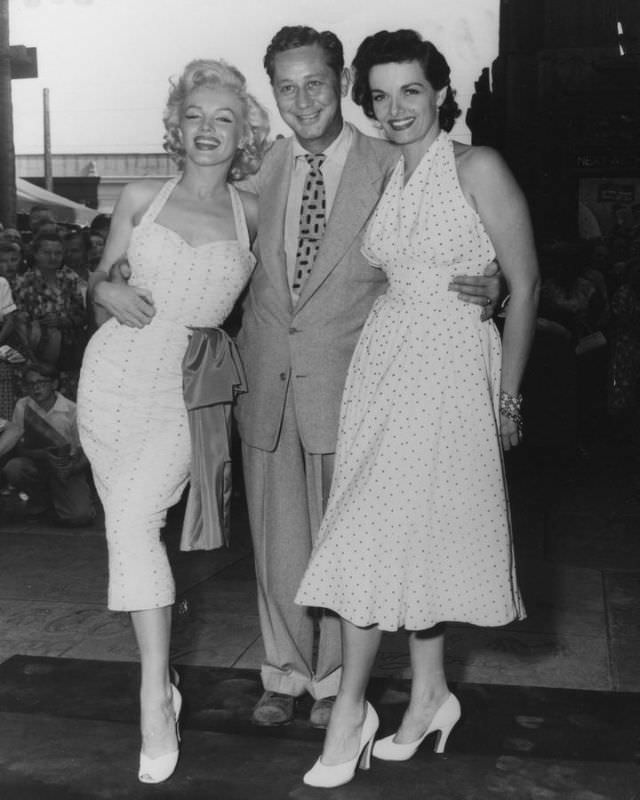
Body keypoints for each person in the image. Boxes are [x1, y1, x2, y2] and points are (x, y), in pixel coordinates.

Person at [234, 25, 503, 730]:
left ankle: (333, 686)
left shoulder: (393, 158)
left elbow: (450, 236)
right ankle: (283, 673)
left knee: (348, 542)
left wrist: (493, 280)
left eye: (316, 82)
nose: (303, 99)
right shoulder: (254, 168)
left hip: (362, 381)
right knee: (277, 539)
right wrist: (106, 281)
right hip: (268, 378)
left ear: (340, 81)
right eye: (286, 87)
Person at [295, 30, 539, 788]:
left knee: (370, 535)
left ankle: (351, 713)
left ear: (439, 92)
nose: (395, 107)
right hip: (384, 367)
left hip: (451, 369)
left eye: (410, 90)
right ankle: (430, 694)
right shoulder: (383, 173)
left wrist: (507, 398)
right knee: (407, 536)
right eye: (379, 93)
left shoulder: (478, 165)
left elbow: (526, 285)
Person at [81, 59, 268, 784]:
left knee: (132, 523)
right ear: (177, 126)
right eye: (195, 116)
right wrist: (105, 290)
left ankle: (154, 696)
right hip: (112, 379)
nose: (208, 130)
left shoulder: (254, 210)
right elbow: (100, 284)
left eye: (224, 118)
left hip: (185, 394)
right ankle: (158, 686)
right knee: (127, 525)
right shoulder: (138, 197)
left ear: (243, 131)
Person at [1, 363, 94, 525]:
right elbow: (19, 448)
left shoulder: (73, 410)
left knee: (80, 516)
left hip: (67, 467)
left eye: (42, 383)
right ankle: (40, 501)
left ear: (54, 384)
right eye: (31, 384)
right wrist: (43, 455)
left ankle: (71, 499)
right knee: (14, 468)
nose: (36, 389)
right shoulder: (22, 406)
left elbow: (87, 452)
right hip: (38, 465)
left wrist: (71, 470)